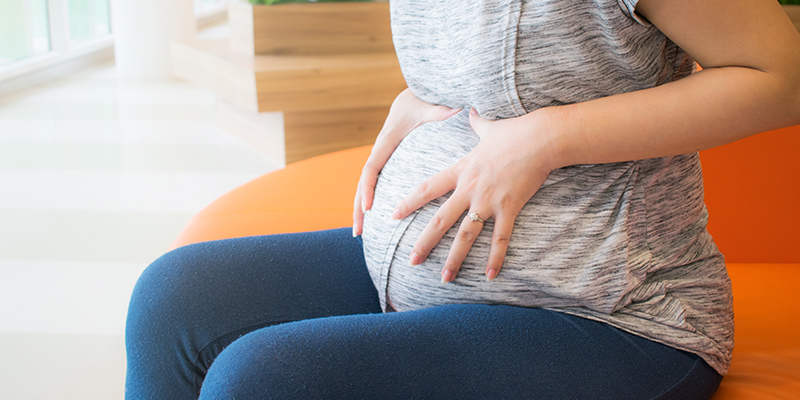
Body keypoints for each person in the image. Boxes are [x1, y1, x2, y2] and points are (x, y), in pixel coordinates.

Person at [125, 0, 800, 399]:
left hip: (609, 314)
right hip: (423, 267)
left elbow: (781, 78)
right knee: (173, 296)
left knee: (262, 382)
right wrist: (415, 98)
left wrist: (547, 139)